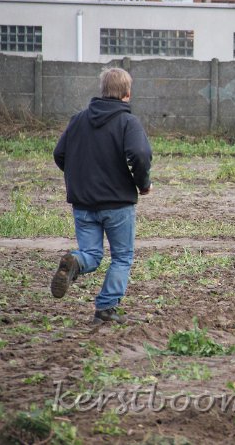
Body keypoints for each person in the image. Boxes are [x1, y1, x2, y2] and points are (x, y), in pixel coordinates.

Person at [51, 67, 152, 325]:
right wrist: (142, 184)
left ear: (103, 90)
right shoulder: (128, 122)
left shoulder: (78, 119)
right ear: (127, 94)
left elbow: (59, 154)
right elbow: (139, 154)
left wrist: (80, 177)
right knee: (122, 256)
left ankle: (75, 261)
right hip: (118, 203)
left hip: (83, 203)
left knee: (91, 254)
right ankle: (106, 308)